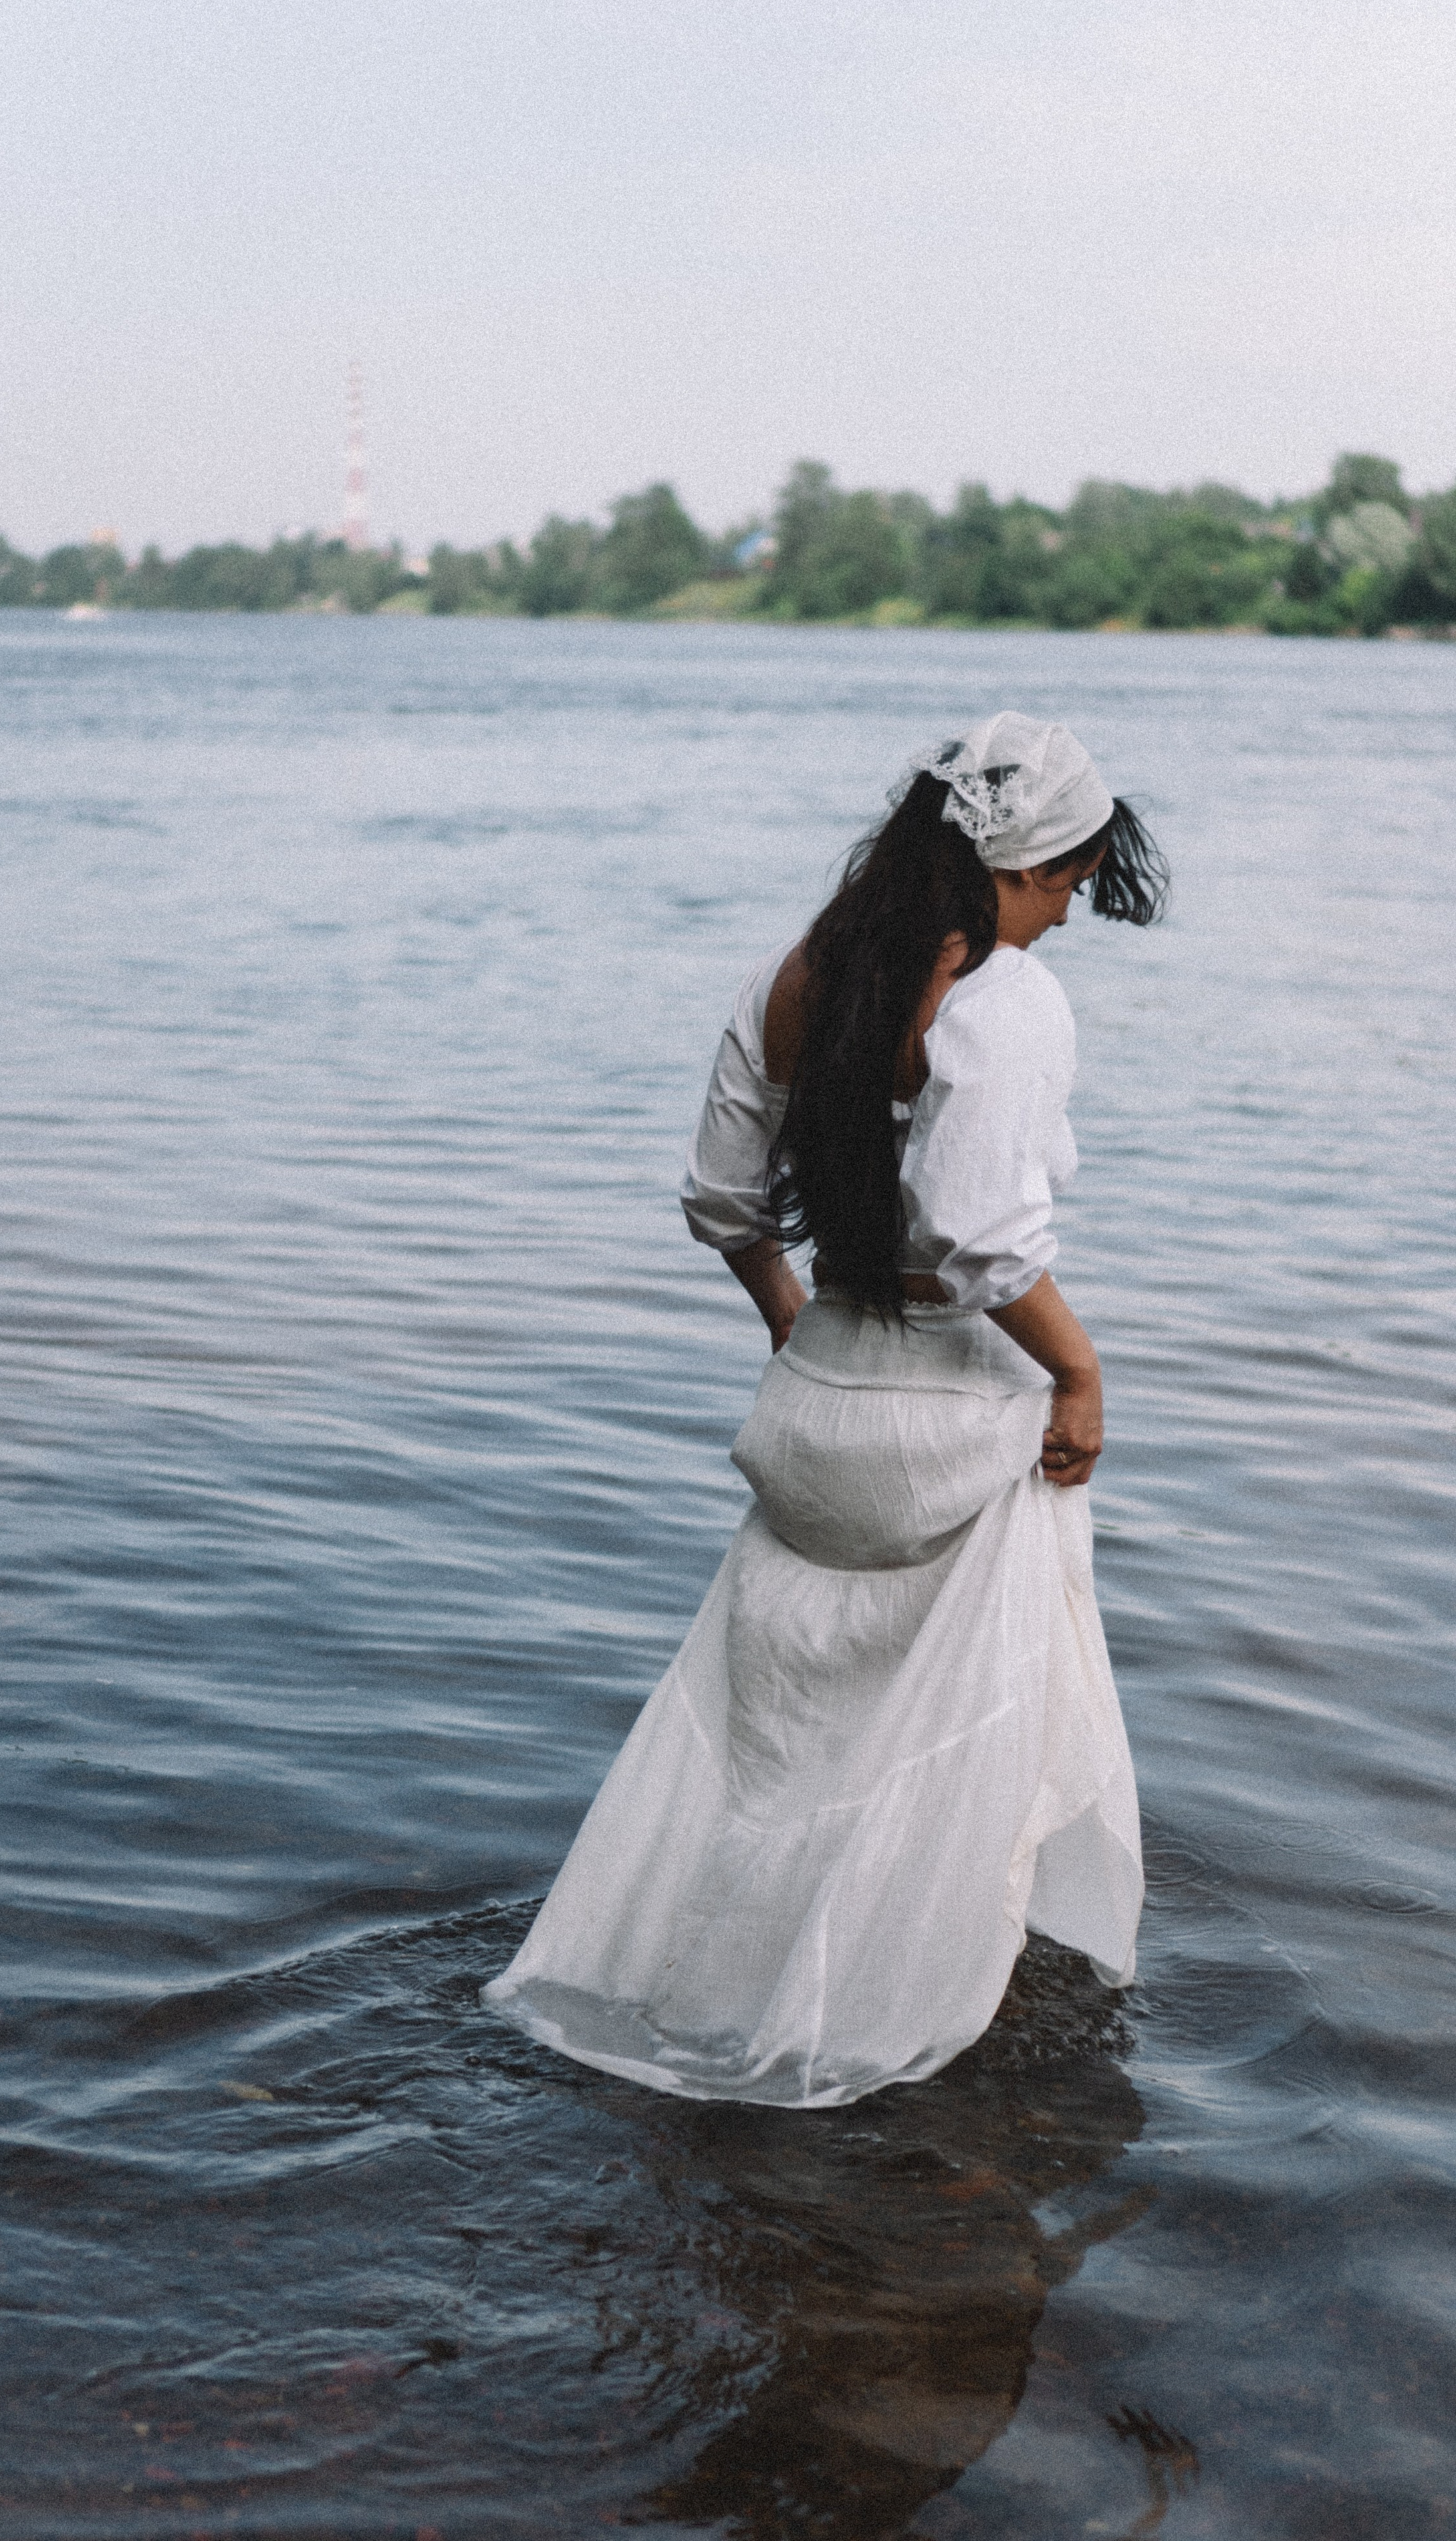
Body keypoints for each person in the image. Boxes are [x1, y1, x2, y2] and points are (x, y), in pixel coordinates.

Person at [485, 710, 1168, 2107]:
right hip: (959, 1422)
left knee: (772, 1744)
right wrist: (1082, 1373)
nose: (1066, 918)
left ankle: (696, 1982)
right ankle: (894, 2022)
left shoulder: (794, 975)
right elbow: (984, 1239)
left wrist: (799, 1326)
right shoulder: (1006, 1000)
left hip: (815, 1404)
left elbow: (721, 1205)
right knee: (965, 1750)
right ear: (1028, 866)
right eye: (1068, 884)